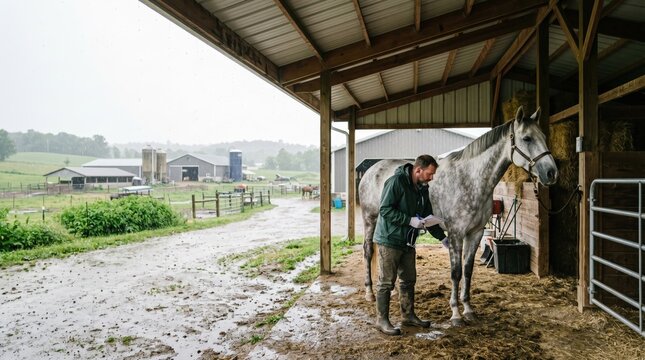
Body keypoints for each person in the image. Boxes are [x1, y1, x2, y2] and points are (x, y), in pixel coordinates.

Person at [373, 155, 447, 336]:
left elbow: (428, 215)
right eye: (430, 174)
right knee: (386, 282)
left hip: (408, 241)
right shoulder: (396, 182)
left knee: (408, 280)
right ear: (418, 170)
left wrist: (442, 238)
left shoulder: (422, 188)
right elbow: (385, 209)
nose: (432, 177)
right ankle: (381, 320)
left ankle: (408, 315)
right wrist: (409, 221)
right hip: (389, 239)